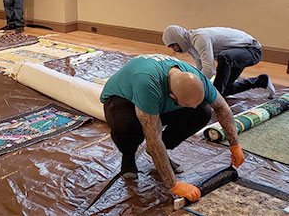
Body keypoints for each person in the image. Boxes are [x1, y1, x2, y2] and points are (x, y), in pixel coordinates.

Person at [100, 54, 245, 203]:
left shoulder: (196, 78)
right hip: (121, 100)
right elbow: (153, 138)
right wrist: (173, 184)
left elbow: (222, 109)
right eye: (187, 104)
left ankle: (163, 151)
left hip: (158, 95)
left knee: (202, 112)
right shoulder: (148, 85)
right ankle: (128, 156)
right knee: (129, 125)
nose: (192, 107)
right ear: (171, 97)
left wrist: (235, 145)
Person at [162, 25, 275, 98]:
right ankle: (261, 81)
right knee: (226, 89)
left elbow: (209, 70)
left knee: (223, 58)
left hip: (252, 51)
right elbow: (201, 69)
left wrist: (198, 89)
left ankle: (216, 95)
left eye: (173, 45)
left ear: (178, 38)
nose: (174, 49)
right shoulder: (190, 48)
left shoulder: (199, 38)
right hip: (234, 56)